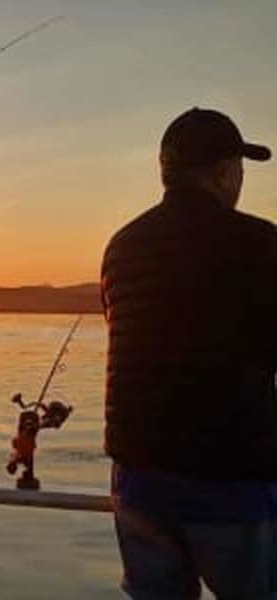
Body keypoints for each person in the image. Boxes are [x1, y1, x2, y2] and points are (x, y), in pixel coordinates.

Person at [101, 107, 274, 599]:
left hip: (138, 482)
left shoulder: (120, 247)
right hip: (230, 480)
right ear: (223, 173)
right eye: (239, 169)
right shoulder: (259, 243)